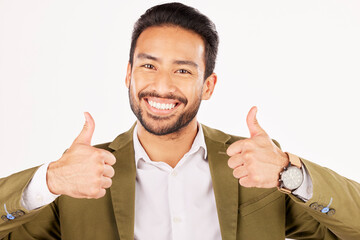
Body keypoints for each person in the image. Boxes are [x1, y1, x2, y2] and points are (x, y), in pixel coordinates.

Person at [0, 2, 359, 240]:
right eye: (148, 65)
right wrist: (47, 181)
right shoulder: (78, 180)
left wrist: (287, 171)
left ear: (208, 85)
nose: (162, 86)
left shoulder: (256, 165)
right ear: (128, 75)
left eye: (183, 70)